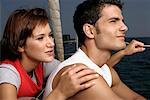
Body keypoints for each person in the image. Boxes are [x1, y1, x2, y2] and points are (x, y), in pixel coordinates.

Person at [43, 0, 146, 99]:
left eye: (122, 21)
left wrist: (123, 52)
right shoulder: (82, 76)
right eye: (113, 21)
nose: (124, 27)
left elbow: (134, 98)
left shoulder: (105, 70)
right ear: (90, 31)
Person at [0, 8, 100, 100]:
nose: (51, 43)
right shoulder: (7, 73)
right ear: (20, 46)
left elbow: (73, 69)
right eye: (40, 38)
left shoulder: (43, 65)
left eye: (50, 35)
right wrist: (60, 93)